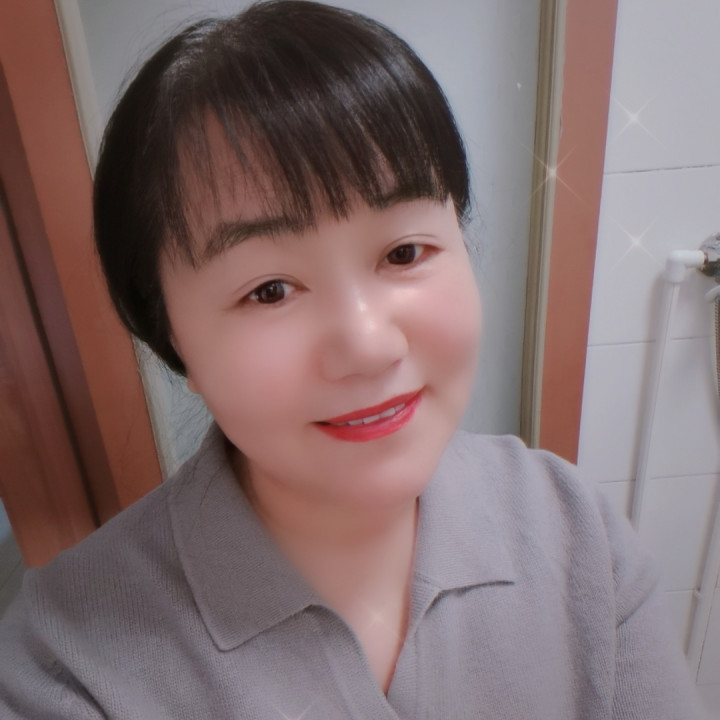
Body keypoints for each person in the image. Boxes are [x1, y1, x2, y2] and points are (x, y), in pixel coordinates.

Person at [0, 2, 707, 718]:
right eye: (270, 290)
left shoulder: (577, 534)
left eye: (404, 252)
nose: (369, 346)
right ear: (171, 336)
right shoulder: (68, 660)